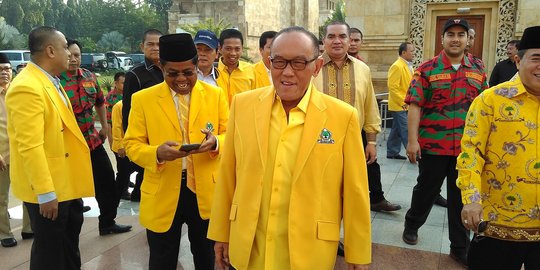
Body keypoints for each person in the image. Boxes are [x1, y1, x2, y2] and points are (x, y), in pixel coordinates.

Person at [208, 26, 371, 270]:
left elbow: (355, 192)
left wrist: (357, 253)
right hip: (251, 247)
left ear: (316, 66)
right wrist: (221, 232)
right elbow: (228, 175)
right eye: (279, 62)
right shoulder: (243, 106)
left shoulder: (343, 116)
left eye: (298, 63)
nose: (287, 72)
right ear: (269, 62)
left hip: (309, 251)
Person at [124, 33, 229, 270]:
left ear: (196, 65)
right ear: (162, 68)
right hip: (162, 192)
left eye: (188, 72)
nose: (181, 79)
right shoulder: (143, 100)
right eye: (173, 73)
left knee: (208, 257)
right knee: (162, 258)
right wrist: (157, 153)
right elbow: (132, 145)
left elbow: (230, 135)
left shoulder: (216, 95)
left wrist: (215, 142)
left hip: (205, 192)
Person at [5, 26, 94, 269]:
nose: (71, 53)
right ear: (51, 50)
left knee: (67, 247)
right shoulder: (27, 87)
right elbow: (30, 146)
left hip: (66, 183)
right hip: (50, 190)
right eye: (65, 47)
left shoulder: (49, 80)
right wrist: (45, 193)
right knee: (50, 254)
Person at [403, 18, 488, 267]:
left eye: (461, 35)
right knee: (426, 191)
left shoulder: (478, 68)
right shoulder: (427, 69)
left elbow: (485, 107)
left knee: (460, 197)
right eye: (450, 34)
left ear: (467, 39)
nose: (456, 39)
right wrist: (411, 141)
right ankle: (412, 223)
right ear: (442, 39)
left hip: (466, 149)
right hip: (433, 146)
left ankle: (459, 246)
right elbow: (415, 105)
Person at [458, 25, 540, 270]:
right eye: (537, 59)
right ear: (517, 60)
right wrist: (471, 199)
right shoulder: (490, 100)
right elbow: (471, 151)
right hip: (497, 224)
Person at [314, 21, 401, 213]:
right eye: (331, 36)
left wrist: (371, 141)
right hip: (319, 139)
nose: (337, 41)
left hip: (354, 137)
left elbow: (369, 105)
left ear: (348, 40)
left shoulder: (362, 69)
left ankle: (352, 230)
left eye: (342, 36)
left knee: (354, 190)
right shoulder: (312, 67)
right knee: (324, 191)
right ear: (324, 40)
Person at [59, 39, 132, 236]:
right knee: (72, 187)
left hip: (92, 140)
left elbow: (100, 102)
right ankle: (69, 230)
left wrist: (104, 126)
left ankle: (107, 222)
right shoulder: (56, 80)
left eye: (77, 55)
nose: (73, 60)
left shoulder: (89, 77)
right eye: (70, 55)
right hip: (69, 144)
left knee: (107, 181)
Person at [122, 28, 163, 202]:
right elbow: (127, 111)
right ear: (142, 46)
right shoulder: (135, 74)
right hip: (147, 138)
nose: (155, 48)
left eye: (159, 44)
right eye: (150, 44)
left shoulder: (171, 69)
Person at [0, 53, 32, 248]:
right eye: (0, 69)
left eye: (7, 69)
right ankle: (4, 233)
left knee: (29, 193)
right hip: (2, 156)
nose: (4, 73)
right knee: (1, 198)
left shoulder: (17, 92)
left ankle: (29, 229)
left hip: (22, 154)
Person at [106, 71, 133, 200]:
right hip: (120, 142)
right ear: (116, 83)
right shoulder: (115, 102)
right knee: (123, 169)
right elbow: (114, 125)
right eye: (123, 83)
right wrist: (116, 143)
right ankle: (121, 190)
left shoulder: (131, 98)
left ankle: (124, 185)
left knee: (127, 169)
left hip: (129, 141)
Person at [386, 42, 414, 160]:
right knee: (405, 129)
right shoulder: (397, 66)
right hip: (399, 105)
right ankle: (414, 154)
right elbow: (393, 87)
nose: (414, 53)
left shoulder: (407, 65)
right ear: (403, 53)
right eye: (411, 51)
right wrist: (403, 103)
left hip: (404, 104)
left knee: (396, 130)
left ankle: (392, 152)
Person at [216, 29, 257, 104]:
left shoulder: (251, 70)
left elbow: (256, 99)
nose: (233, 53)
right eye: (228, 49)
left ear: (242, 49)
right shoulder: (212, 71)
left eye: (237, 49)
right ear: (220, 49)